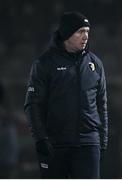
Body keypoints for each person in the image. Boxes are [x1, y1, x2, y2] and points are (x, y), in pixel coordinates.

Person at [24, 11, 108, 179]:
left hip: (88, 144)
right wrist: (40, 138)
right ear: (66, 33)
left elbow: (102, 105)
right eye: (80, 31)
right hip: (54, 144)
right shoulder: (44, 64)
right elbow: (33, 104)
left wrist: (102, 141)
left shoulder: (95, 64)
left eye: (87, 32)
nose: (85, 36)